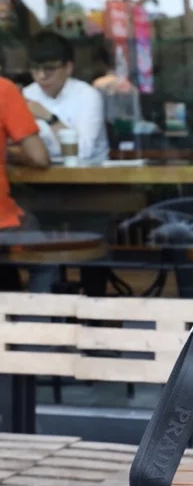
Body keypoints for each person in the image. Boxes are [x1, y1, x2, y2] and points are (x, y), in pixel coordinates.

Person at [22, 30, 109, 164]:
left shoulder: (87, 95)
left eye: (49, 69)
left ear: (68, 67)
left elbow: (82, 152)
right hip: (41, 171)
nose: (41, 76)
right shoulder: (27, 94)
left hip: (89, 173)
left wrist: (49, 118)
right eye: (35, 68)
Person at [0, 74, 51, 291]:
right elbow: (39, 158)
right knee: (46, 262)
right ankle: (35, 314)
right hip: (2, 220)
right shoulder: (4, 89)